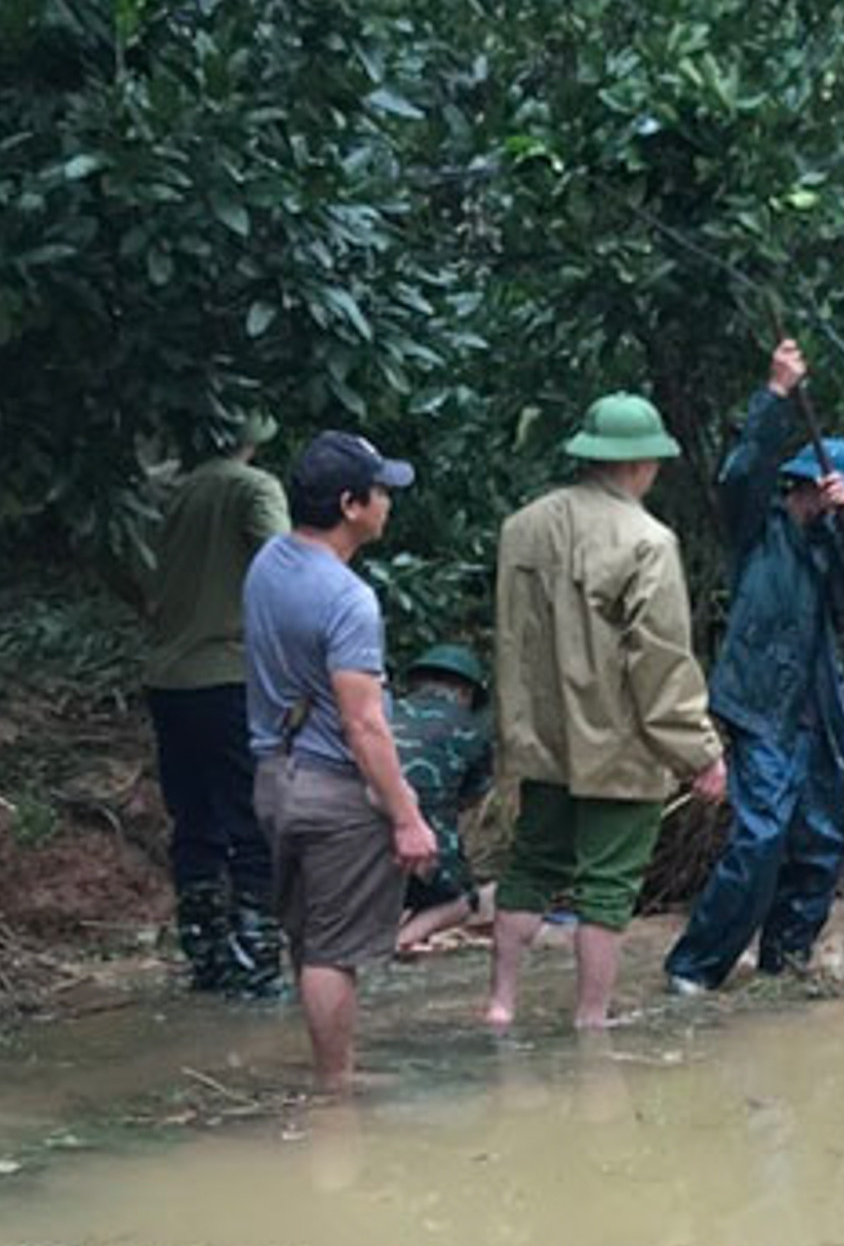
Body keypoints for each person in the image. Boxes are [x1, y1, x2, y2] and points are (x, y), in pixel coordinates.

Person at [487, 393, 727, 1030]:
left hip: (540, 738)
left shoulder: (522, 527)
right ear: (643, 464)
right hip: (620, 743)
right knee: (608, 886)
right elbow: (661, 659)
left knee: (531, 866)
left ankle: (500, 1004)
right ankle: (591, 1018)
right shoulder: (648, 541)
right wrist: (697, 749)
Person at [665, 340, 844, 993]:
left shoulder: (827, 541)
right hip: (760, 705)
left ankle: (786, 963)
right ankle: (694, 969)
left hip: (816, 712)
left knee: (820, 843)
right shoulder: (759, 527)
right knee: (761, 835)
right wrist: (775, 395)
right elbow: (740, 473)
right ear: (807, 485)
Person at [241, 431, 438, 1089]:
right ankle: (336, 1089)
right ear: (352, 505)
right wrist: (407, 816)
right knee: (333, 951)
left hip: (275, 777)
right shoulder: (349, 599)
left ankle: (331, 1071)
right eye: (381, 491)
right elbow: (365, 725)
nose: (388, 502)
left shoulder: (268, 562)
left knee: (306, 937)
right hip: (332, 791)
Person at [141, 410, 289, 995]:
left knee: (195, 819)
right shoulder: (251, 488)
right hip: (228, 675)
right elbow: (282, 559)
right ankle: (257, 963)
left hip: (167, 676)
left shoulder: (164, 493)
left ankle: (205, 954)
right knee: (253, 819)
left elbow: (121, 561)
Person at [391, 643, 495, 953]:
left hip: (359, 836)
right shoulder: (472, 728)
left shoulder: (386, 711)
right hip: (424, 843)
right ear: (467, 691)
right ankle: (401, 941)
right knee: (464, 900)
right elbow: (472, 795)